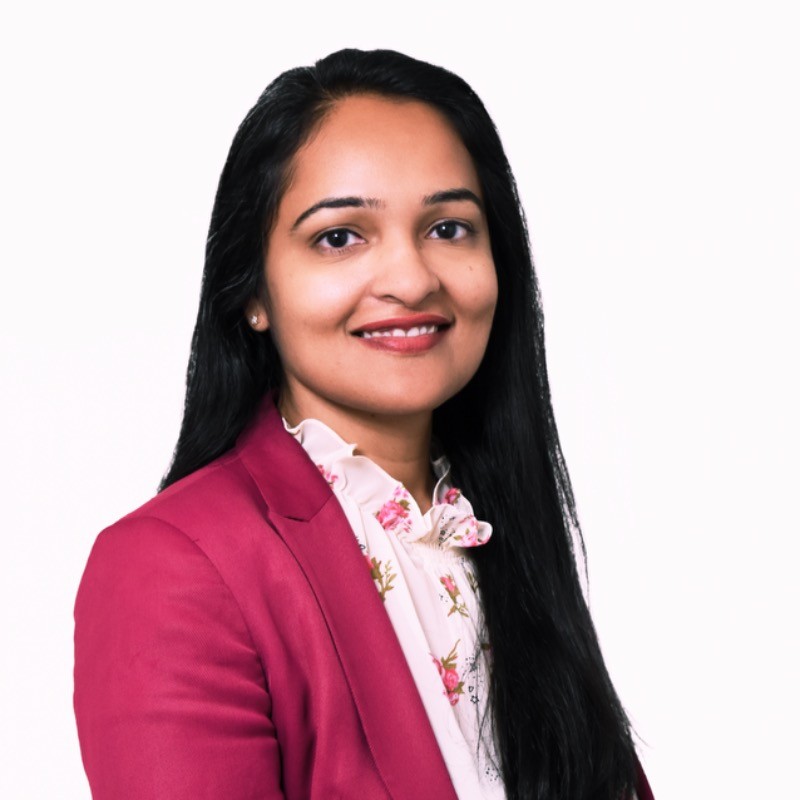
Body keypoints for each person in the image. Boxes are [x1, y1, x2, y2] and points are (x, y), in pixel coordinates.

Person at [73, 49, 654, 800]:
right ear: (252, 292)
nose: (411, 279)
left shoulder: (496, 532)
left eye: (449, 227)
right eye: (340, 237)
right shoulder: (172, 567)